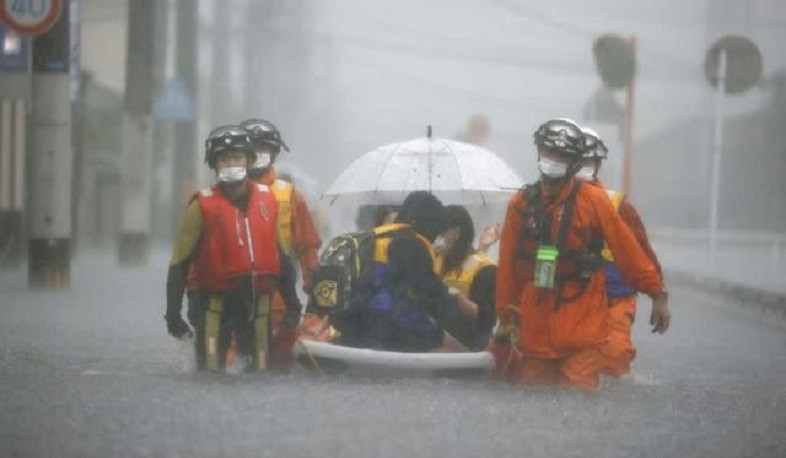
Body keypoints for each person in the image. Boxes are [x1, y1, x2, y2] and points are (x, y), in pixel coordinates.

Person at [493, 118, 671, 390]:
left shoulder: (594, 201)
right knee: (532, 402)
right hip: (536, 324)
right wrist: (506, 313)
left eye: (561, 155)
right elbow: (507, 267)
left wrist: (657, 293)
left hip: (582, 323)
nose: (552, 160)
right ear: (539, 153)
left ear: (574, 161)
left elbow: (629, 252)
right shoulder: (521, 204)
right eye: (549, 152)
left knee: (579, 398)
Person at [165, 125, 302, 373]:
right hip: (214, 305)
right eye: (223, 158)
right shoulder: (201, 206)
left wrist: (293, 305)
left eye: (237, 157)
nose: (231, 163)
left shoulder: (269, 201)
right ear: (214, 164)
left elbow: (282, 256)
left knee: (260, 373)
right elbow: (179, 264)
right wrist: (173, 314)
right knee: (210, 372)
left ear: (249, 161)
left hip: (258, 305)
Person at [337, 191, 477, 352]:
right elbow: (432, 296)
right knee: (447, 343)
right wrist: (459, 309)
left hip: (353, 325)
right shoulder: (411, 244)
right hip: (386, 329)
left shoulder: (376, 237)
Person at [575, 127, 664, 377]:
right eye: (576, 160)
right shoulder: (550, 204)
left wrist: (659, 296)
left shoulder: (617, 205)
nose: (581, 166)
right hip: (571, 300)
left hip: (615, 298)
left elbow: (642, 253)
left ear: (597, 164)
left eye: (587, 160)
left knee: (614, 356)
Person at [239, 119, 322, 331]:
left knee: (277, 357)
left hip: (278, 299)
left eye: (263, 148)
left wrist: (315, 294)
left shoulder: (290, 196)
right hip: (231, 296)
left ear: (273, 153)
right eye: (252, 148)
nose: (257, 153)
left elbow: (308, 248)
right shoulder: (220, 196)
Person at [433, 205, 497, 351]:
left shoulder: (485, 268)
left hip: (469, 348)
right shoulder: (436, 259)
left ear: (456, 233)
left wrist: (461, 301)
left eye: (442, 233)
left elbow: (488, 320)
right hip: (438, 346)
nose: (438, 239)